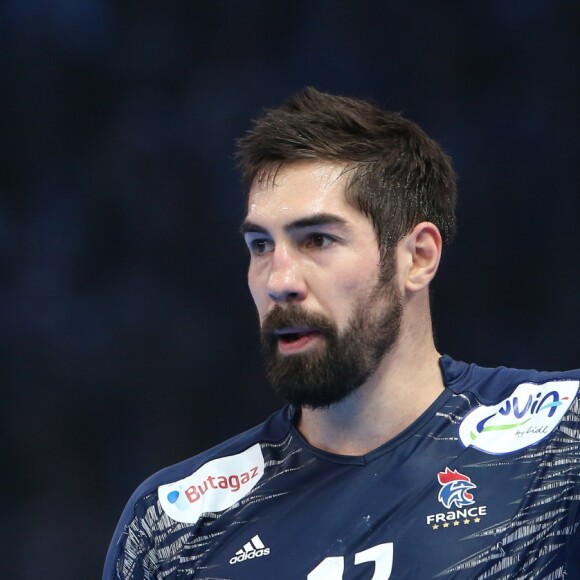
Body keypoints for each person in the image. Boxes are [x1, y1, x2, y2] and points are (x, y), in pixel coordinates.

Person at [103, 87, 580, 579]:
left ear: (418, 257)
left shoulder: (562, 444)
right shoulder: (173, 529)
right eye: (261, 244)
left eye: (317, 240)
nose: (280, 281)